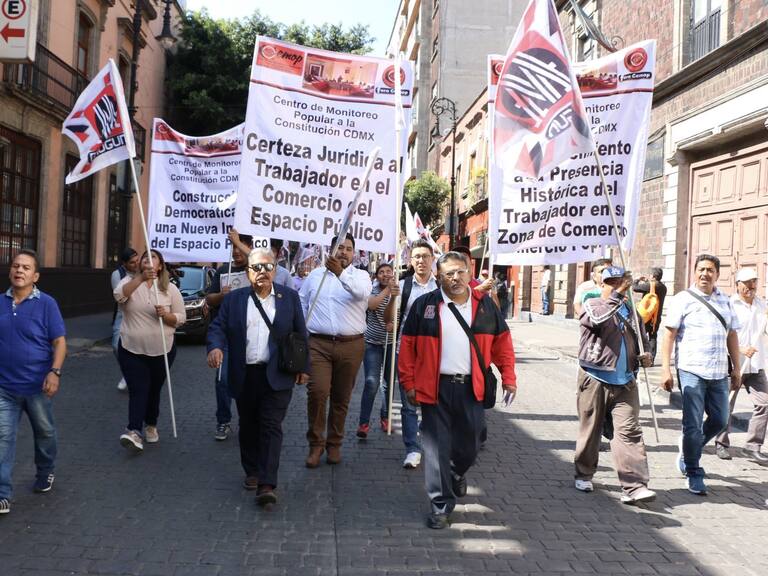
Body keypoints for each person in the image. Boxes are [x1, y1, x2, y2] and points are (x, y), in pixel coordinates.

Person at [399, 251, 517, 529]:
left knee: (470, 446)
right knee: (436, 447)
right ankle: (440, 505)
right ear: (439, 276)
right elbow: (407, 348)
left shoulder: (486, 305)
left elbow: (503, 344)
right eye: (449, 273)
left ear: (469, 272)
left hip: (470, 388)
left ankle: (456, 472)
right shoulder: (423, 305)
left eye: (460, 272)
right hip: (433, 387)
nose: (455, 278)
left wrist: (509, 377)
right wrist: (409, 383)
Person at [207, 248, 310, 505]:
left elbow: (301, 334)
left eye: (267, 266)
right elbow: (218, 326)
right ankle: (252, 470)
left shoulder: (290, 298)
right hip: (244, 374)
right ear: (247, 272)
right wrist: (216, 347)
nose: (262, 272)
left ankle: (267, 482)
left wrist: (304, 367)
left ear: (276, 269)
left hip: (277, 374)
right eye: (256, 267)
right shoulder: (234, 300)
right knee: (249, 425)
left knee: (271, 425)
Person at [574, 266, 656, 504]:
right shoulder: (592, 305)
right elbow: (597, 321)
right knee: (591, 431)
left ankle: (634, 486)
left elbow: (643, 339)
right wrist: (618, 295)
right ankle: (584, 472)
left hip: (625, 382)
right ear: (601, 285)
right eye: (611, 281)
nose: (617, 285)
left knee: (629, 432)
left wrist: (646, 355)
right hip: (595, 377)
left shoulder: (631, 311)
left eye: (620, 281)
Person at [660, 254, 741, 495]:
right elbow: (669, 335)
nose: (705, 274)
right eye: (701, 269)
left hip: (718, 372)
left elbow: (732, 335)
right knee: (692, 424)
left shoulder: (725, 300)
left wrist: (737, 368)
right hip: (691, 369)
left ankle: (688, 448)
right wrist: (665, 368)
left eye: (710, 270)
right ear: (694, 272)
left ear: (717, 274)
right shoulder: (682, 299)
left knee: (719, 419)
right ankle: (693, 471)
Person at [0, 250, 67, 515]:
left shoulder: (47, 304)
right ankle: (2, 494)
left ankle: (45, 471)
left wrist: (55, 372)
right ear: (10, 271)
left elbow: (59, 342)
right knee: (2, 438)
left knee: (45, 433)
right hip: (4, 387)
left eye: (26, 267)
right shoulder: (1, 302)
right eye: (16, 266)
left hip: (38, 385)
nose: (19, 270)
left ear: (35, 276)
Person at [300, 233, 372, 467]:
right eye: (339, 247)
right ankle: (315, 444)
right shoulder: (314, 277)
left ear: (354, 253)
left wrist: (340, 274)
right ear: (330, 250)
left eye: (349, 248)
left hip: (351, 345)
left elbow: (361, 295)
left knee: (341, 397)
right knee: (318, 393)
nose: (343, 252)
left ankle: (334, 444)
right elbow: (302, 304)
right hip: (318, 344)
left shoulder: (361, 276)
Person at [114, 249, 186, 452]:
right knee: (139, 388)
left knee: (154, 389)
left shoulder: (170, 289)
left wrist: (167, 316)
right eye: (145, 257)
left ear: (160, 265)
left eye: (153, 257)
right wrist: (140, 279)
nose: (147, 259)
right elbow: (119, 296)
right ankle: (134, 430)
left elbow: (181, 318)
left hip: (163, 350)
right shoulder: (128, 283)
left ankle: (151, 424)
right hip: (131, 348)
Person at [383, 238, 438, 468]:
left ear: (433, 259)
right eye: (417, 257)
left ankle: (432, 444)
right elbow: (388, 321)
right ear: (410, 260)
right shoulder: (403, 286)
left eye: (425, 256)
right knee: (408, 404)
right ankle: (412, 449)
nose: (421, 261)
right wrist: (393, 296)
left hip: (435, 356)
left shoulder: (441, 286)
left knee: (434, 404)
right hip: (404, 353)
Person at [713, 268, 768, 464]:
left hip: (756, 364)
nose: (750, 286)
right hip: (734, 363)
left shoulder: (762, 305)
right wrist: (741, 349)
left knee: (764, 403)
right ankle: (721, 443)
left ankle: (752, 446)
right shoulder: (729, 305)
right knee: (726, 404)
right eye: (746, 282)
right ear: (737, 284)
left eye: (753, 281)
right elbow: (723, 334)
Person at [206, 234, 253, 441]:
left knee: (249, 382)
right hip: (226, 336)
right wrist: (221, 296)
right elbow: (209, 299)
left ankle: (248, 420)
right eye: (232, 248)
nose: (235, 252)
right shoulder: (223, 271)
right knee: (222, 380)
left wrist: (237, 242)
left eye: (239, 247)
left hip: (250, 336)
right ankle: (223, 420)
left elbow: (262, 260)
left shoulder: (255, 270)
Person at [357, 263, 397, 439]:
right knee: (371, 382)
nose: (385, 274)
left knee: (388, 383)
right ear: (377, 275)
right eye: (381, 272)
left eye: (388, 271)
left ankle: (385, 417)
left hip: (391, 343)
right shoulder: (372, 290)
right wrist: (388, 290)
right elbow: (372, 306)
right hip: (372, 343)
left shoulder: (400, 289)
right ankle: (363, 423)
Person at [111, 249, 139, 391]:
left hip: (141, 314)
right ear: (124, 264)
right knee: (117, 346)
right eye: (132, 263)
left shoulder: (143, 271)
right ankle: (127, 373)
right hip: (123, 314)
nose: (136, 264)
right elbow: (121, 297)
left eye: (137, 261)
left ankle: (135, 375)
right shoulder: (117, 275)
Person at [632, 267, 667, 364]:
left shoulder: (652, 285)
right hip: (656, 317)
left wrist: (637, 279)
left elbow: (635, 288)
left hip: (647, 316)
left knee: (639, 334)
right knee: (653, 336)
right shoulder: (663, 287)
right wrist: (648, 282)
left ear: (653, 276)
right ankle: (651, 359)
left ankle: (640, 355)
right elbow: (651, 288)